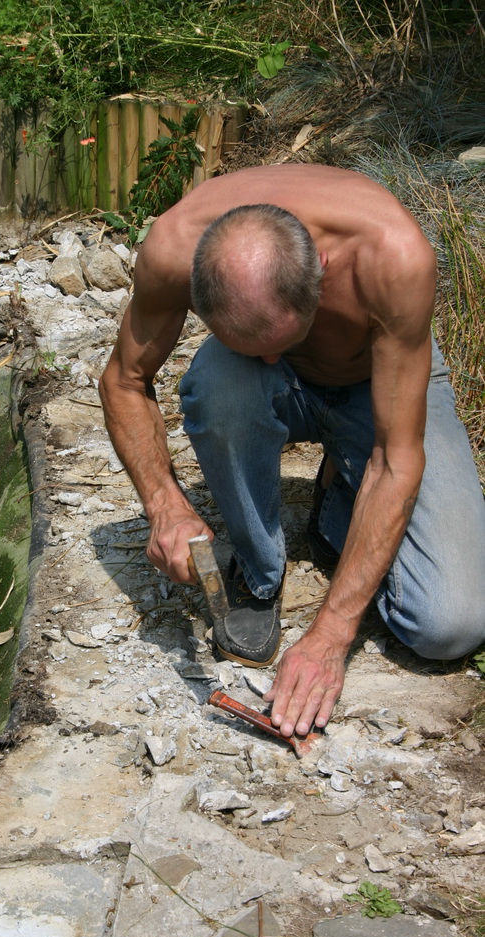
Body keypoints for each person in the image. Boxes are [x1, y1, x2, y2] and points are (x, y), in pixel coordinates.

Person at [98, 164, 485, 738]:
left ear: (321, 273)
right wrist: (164, 505)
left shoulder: (393, 256)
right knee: (220, 381)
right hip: (255, 386)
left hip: (378, 385)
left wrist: (331, 633)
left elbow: (396, 459)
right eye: (256, 347)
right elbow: (124, 380)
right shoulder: (175, 246)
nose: (272, 359)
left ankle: (339, 491)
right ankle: (259, 571)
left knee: (451, 624)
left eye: (284, 340)